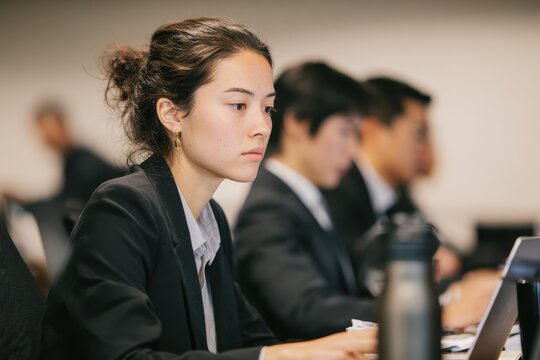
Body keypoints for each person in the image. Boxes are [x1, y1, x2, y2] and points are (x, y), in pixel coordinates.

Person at [40, 18, 376, 360]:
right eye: (239, 105)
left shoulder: (208, 219)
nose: (262, 127)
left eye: (268, 108)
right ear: (172, 114)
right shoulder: (123, 209)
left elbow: (251, 340)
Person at [323, 76, 497, 329]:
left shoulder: (396, 194)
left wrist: (472, 278)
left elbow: (447, 255)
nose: (425, 149)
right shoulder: (338, 193)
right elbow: (364, 287)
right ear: (374, 130)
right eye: (419, 135)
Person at [234, 62, 377, 340]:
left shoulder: (318, 194)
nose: (352, 149)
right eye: (345, 132)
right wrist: (418, 312)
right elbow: (307, 309)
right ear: (298, 123)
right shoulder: (267, 210)